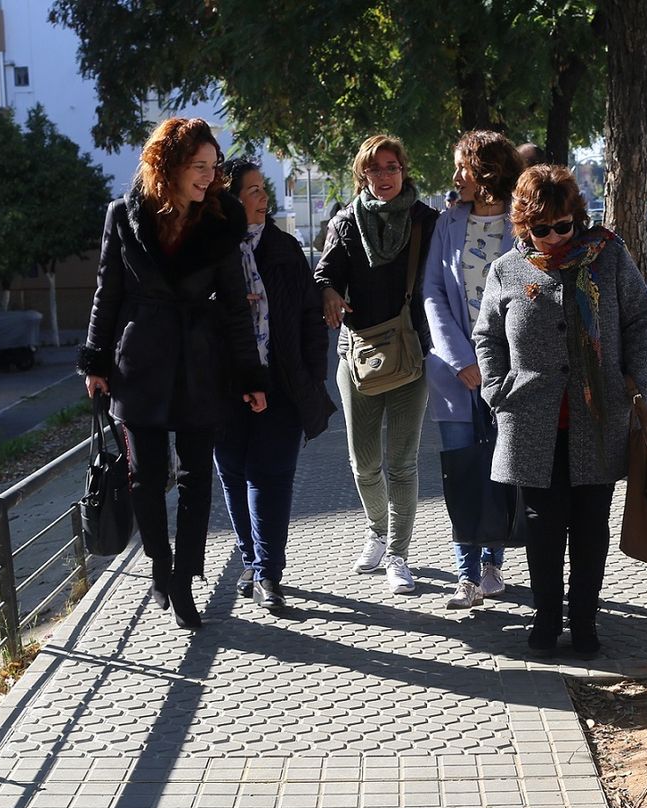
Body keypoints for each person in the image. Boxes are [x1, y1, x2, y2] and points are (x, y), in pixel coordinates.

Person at [79, 118, 268, 630]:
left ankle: (184, 579)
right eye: (198, 167)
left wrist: (251, 375)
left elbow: (234, 305)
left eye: (213, 167)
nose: (209, 177)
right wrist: (95, 360)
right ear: (169, 166)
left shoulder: (222, 220)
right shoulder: (124, 215)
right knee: (145, 477)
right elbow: (107, 292)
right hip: (138, 360)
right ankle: (159, 565)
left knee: (196, 478)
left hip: (200, 361)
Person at [474, 165, 647, 658]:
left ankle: (585, 621)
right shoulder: (507, 270)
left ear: (577, 217)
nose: (555, 237)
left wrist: (634, 383)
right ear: (523, 226)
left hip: (596, 419)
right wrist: (496, 388)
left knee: (591, 525)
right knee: (543, 526)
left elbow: (641, 317)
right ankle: (547, 618)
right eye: (543, 228)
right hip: (530, 417)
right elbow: (487, 333)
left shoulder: (607, 256)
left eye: (564, 225)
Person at [315, 134, 439, 594]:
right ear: (361, 175)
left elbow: (444, 282)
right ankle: (376, 528)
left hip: (411, 355)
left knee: (402, 463)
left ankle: (399, 554)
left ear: (404, 170)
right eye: (374, 169)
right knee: (364, 462)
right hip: (359, 355)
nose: (384, 177)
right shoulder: (346, 222)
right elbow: (326, 271)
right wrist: (327, 290)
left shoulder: (427, 221)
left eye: (392, 167)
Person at [214, 159, 337, 613]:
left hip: (283, 383)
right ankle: (249, 560)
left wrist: (312, 376)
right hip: (225, 386)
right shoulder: (209, 251)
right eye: (253, 191)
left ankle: (268, 572)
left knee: (271, 476)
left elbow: (310, 320)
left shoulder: (285, 249)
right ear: (229, 200)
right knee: (232, 472)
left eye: (264, 189)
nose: (264, 198)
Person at [422, 130, 524, 609]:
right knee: (462, 471)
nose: (456, 176)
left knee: (500, 470)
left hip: (508, 373)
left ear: (487, 172)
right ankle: (464, 574)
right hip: (455, 375)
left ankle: (492, 565)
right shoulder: (448, 222)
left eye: (463, 166)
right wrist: (462, 359)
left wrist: (494, 363)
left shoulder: (523, 223)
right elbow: (433, 294)